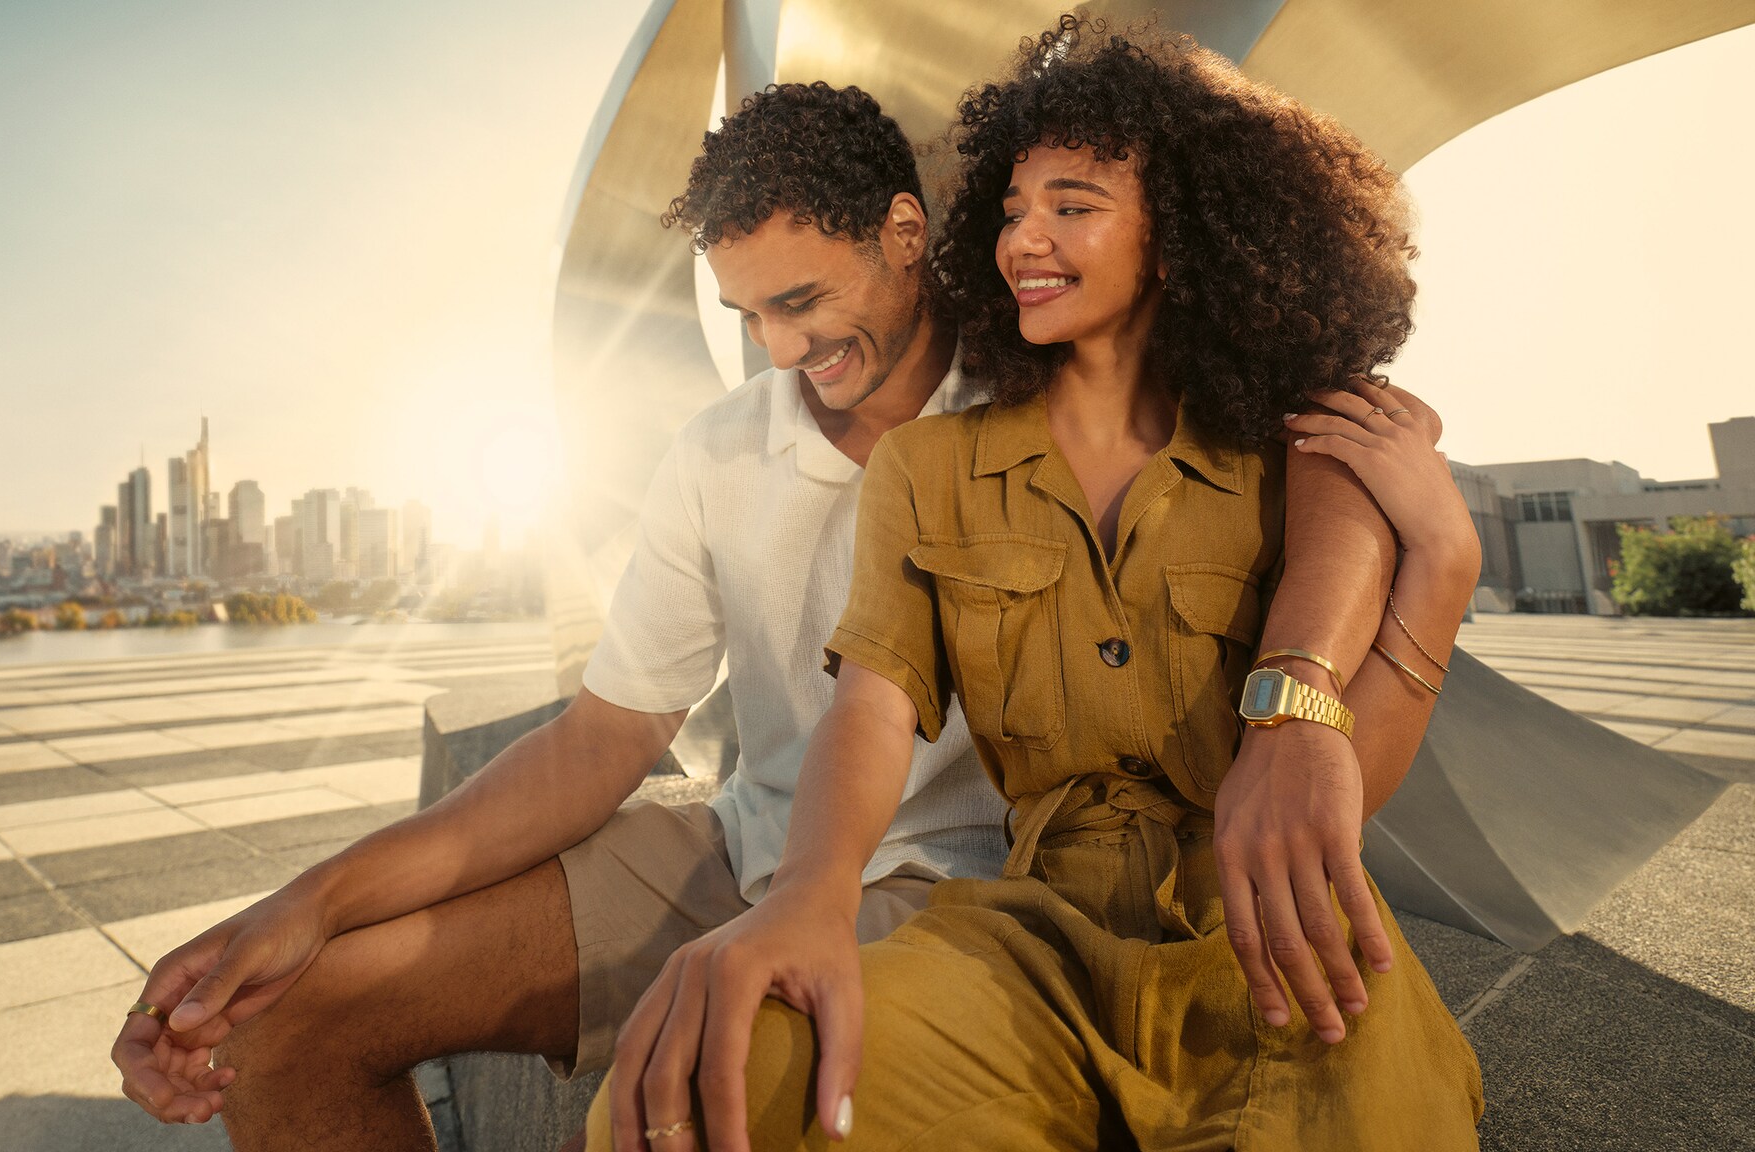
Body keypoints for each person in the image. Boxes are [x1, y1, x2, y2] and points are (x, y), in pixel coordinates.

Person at [111, 81, 1416, 1152]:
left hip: (971, 896)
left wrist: (1305, 693)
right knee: (287, 1020)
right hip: (741, 855)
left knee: (699, 1097)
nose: (780, 353)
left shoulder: (1059, 371)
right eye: (746, 316)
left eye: (801, 303)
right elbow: (598, 742)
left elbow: (1336, 447)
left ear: (906, 234)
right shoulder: (721, 452)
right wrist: (310, 904)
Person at [591, 17, 1483, 1152]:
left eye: (1073, 204)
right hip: (1026, 942)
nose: (1024, 238)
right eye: (1011, 209)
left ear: (1179, 232)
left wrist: (1434, 575)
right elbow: (868, 708)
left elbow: (1331, 789)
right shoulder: (930, 464)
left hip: (1274, 955)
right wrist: (808, 898)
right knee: (714, 1089)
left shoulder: (1290, 455)